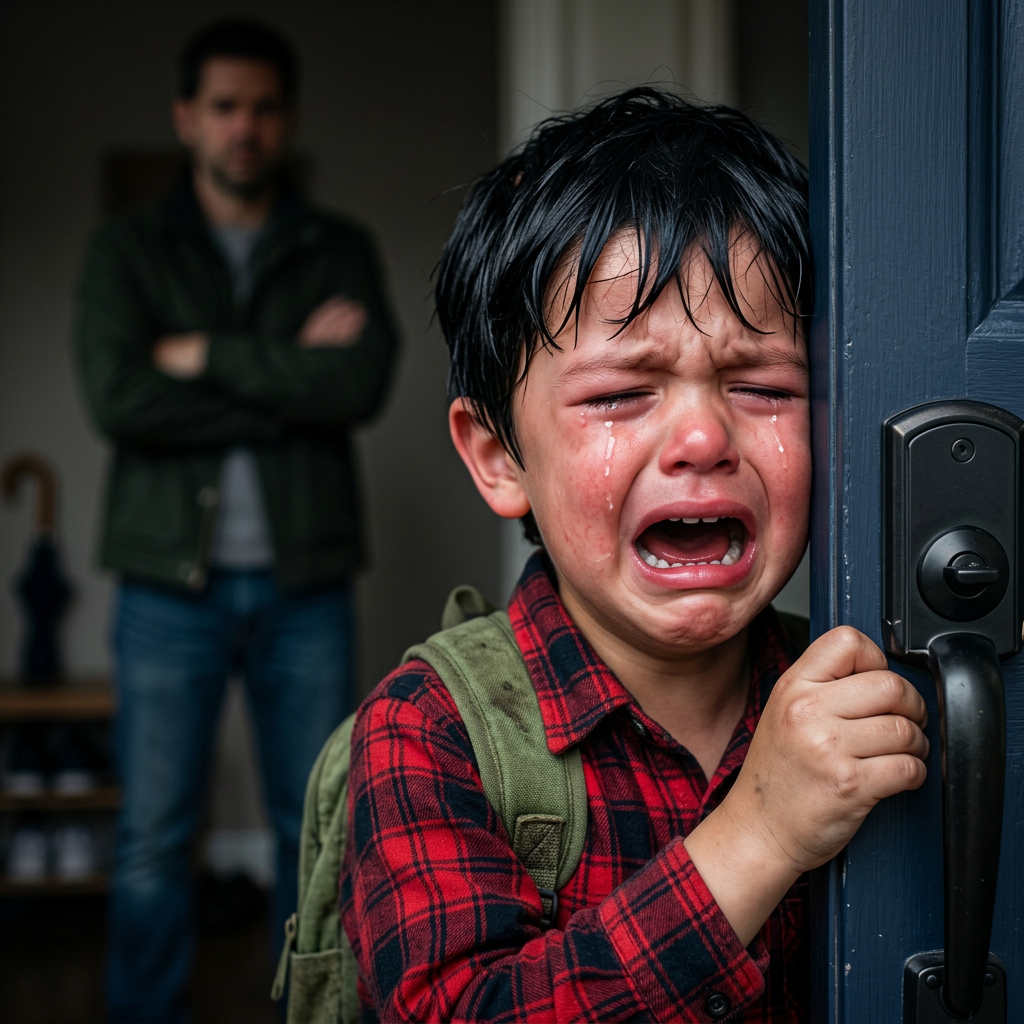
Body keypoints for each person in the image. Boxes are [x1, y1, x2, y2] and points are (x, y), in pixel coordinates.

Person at [339, 89, 928, 1021]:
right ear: (500, 457)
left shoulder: (854, 693)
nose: (702, 436)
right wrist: (760, 833)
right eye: (620, 394)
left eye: (763, 385)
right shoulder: (427, 733)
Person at [74, 18, 398, 1023]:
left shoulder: (336, 244)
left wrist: (204, 354)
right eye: (223, 106)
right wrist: (287, 373)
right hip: (168, 589)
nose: (244, 128)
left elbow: (361, 381)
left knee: (316, 829)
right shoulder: (128, 248)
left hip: (306, 585)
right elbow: (119, 399)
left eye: (262, 107)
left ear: (286, 117)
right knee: (154, 836)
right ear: (186, 118)